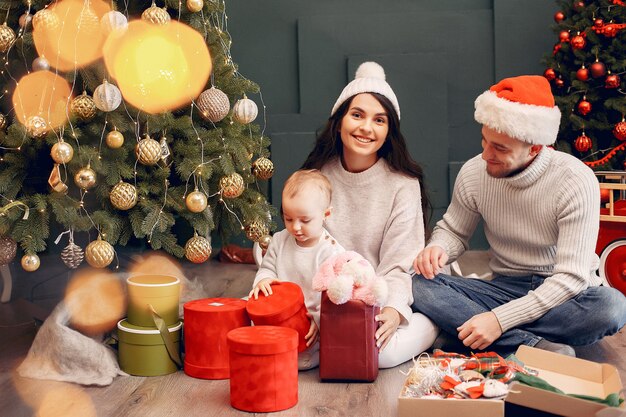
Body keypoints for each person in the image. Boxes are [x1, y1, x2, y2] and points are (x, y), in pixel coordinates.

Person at [412, 75, 626, 357]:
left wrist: (499, 320)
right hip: (504, 287)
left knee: (611, 307)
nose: (486, 154)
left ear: (535, 147)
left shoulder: (575, 180)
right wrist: (438, 248)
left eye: (500, 148)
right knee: (418, 284)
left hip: (563, 294)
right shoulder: (474, 173)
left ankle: (480, 333)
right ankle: (537, 347)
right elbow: (453, 231)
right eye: (484, 141)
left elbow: (571, 278)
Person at [301, 62, 438, 368]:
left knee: (380, 353)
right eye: (357, 115)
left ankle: (433, 321)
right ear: (339, 122)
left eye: (379, 120)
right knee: (303, 352)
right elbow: (304, 248)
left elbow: (400, 263)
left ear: (389, 132)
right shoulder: (317, 176)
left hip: (384, 292)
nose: (366, 128)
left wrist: (393, 310)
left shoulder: (403, 184)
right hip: (332, 298)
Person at [250, 169, 344, 370]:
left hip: (309, 321)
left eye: (305, 220)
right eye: (289, 219)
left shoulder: (330, 251)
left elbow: (333, 296)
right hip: (278, 313)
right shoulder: (279, 241)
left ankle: (314, 350)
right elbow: (268, 268)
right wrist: (263, 280)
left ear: (326, 214)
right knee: (246, 317)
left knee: (301, 358)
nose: (296, 227)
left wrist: (319, 320)